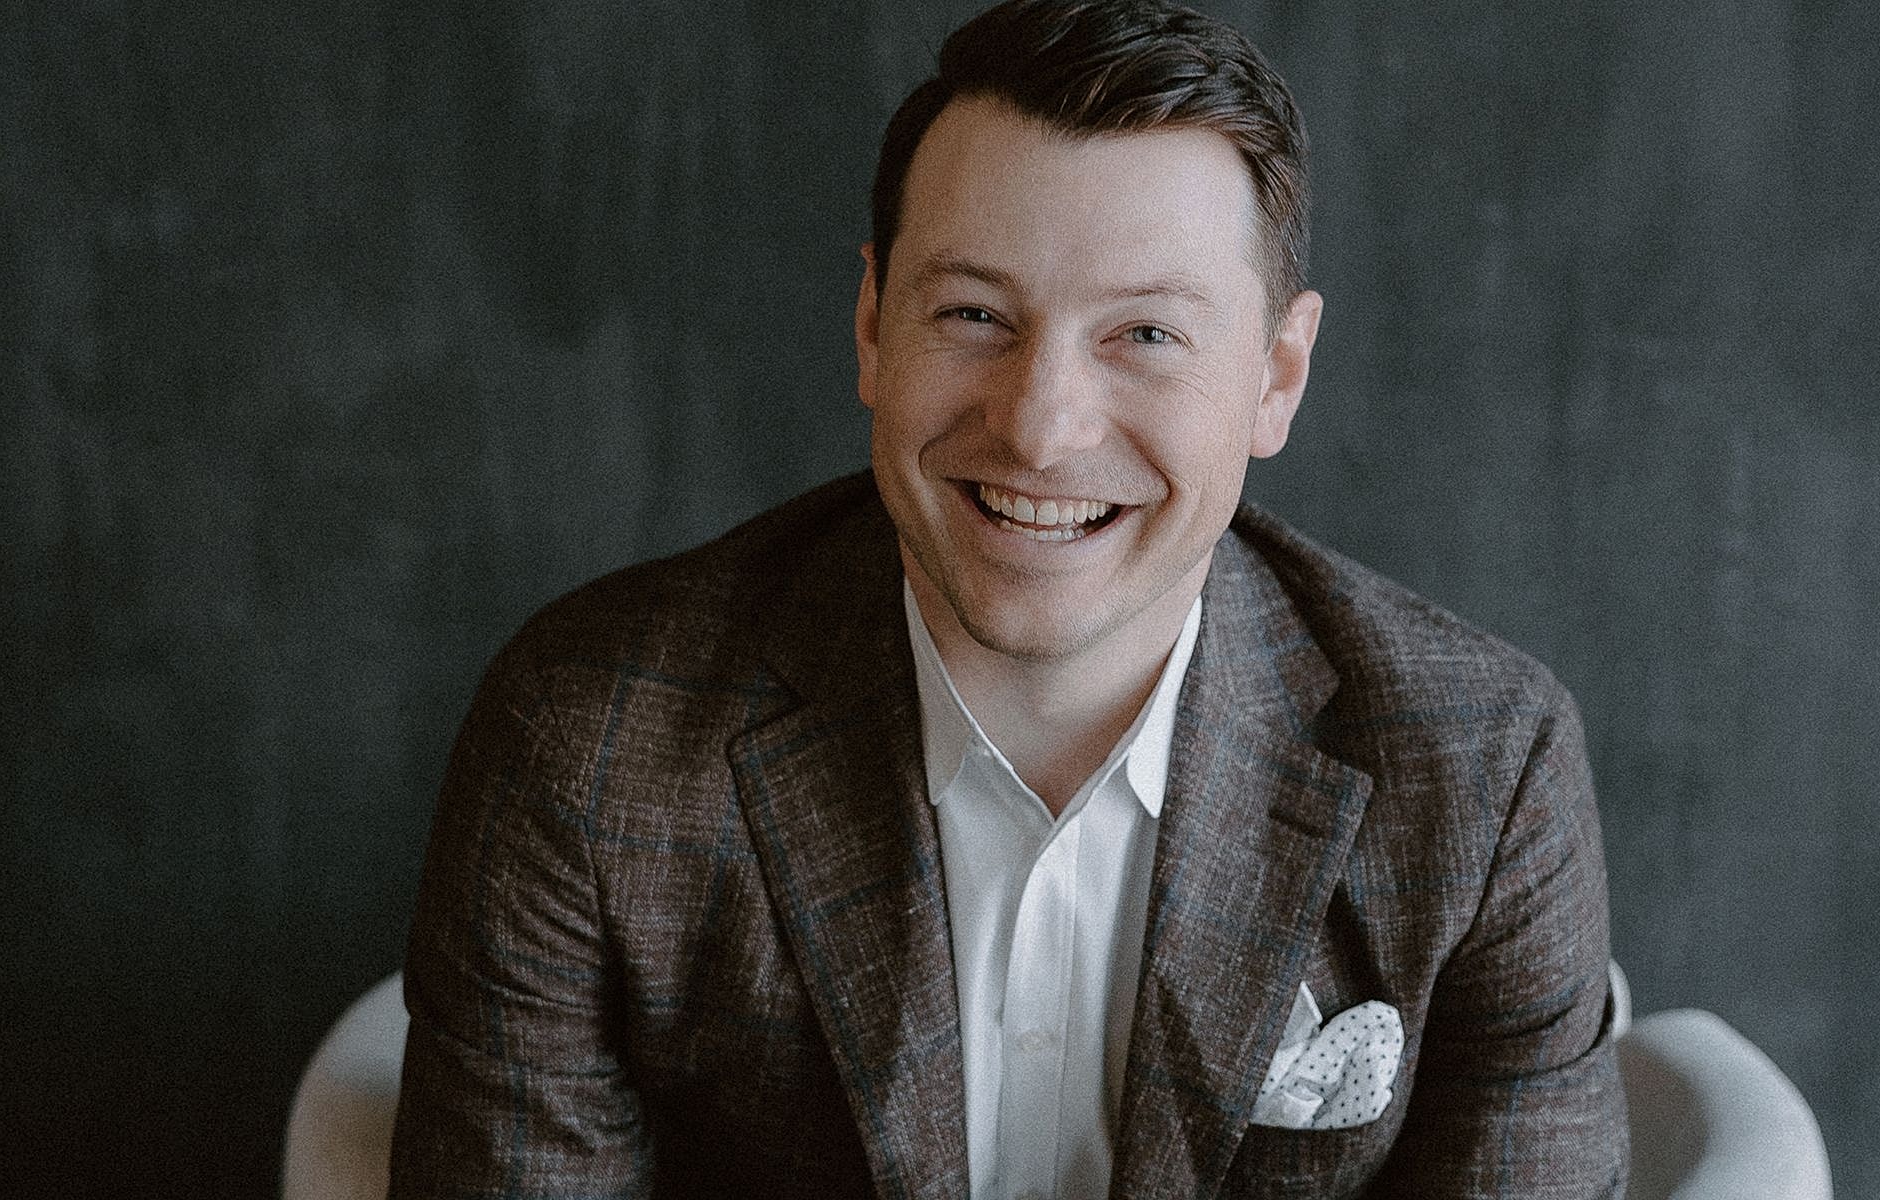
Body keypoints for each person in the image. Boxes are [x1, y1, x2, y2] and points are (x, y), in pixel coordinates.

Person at [387, 1, 1626, 1196]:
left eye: (1145, 334)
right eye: (974, 314)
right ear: (873, 328)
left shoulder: (1484, 774)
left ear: (1275, 375)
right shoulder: (589, 741)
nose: (1039, 429)